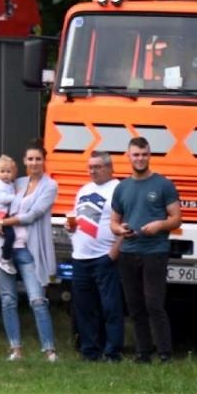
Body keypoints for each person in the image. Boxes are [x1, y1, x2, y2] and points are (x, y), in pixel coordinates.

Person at [110, 136, 182, 363]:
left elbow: (176, 218)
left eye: (144, 154)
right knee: (135, 305)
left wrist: (159, 225)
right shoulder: (122, 187)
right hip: (129, 251)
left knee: (154, 303)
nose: (140, 159)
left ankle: (165, 353)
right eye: (136, 155)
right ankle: (142, 353)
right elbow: (114, 222)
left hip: (155, 251)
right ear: (128, 156)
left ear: (150, 155)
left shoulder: (164, 185)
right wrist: (120, 230)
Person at [0, 141, 59, 361]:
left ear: (44, 161)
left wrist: (2, 223)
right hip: (4, 248)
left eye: (38, 158)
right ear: (25, 161)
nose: (34, 162)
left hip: (29, 250)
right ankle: (15, 349)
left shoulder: (50, 186)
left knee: (37, 300)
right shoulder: (16, 182)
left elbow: (32, 215)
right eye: (30, 159)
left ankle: (49, 350)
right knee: (8, 301)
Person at [67, 151, 124, 361]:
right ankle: (89, 351)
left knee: (110, 307)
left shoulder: (118, 189)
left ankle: (112, 352)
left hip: (104, 256)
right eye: (90, 167)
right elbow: (78, 219)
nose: (92, 171)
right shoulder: (84, 189)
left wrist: (114, 253)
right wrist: (70, 227)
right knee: (84, 308)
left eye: (97, 167)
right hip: (80, 257)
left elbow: (126, 223)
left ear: (109, 168)